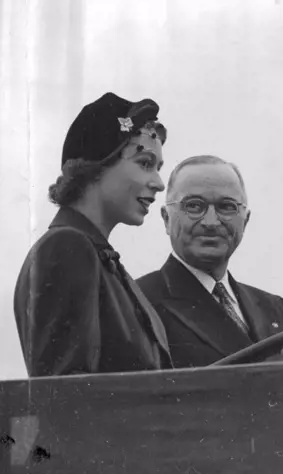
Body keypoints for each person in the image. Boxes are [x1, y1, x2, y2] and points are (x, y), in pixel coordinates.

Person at [13, 92, 173, 377]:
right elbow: (68, 397)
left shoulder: (98, 257)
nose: (159, 184)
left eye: (157, 168)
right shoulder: (66, 247)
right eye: (145, 163)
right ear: (96, 167)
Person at [137, 155, 283, 368]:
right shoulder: (137, 301)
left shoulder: (276, 309)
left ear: (246, 220)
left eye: (226, 206)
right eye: (194, 206)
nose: (211, 222)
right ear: (166, 219)